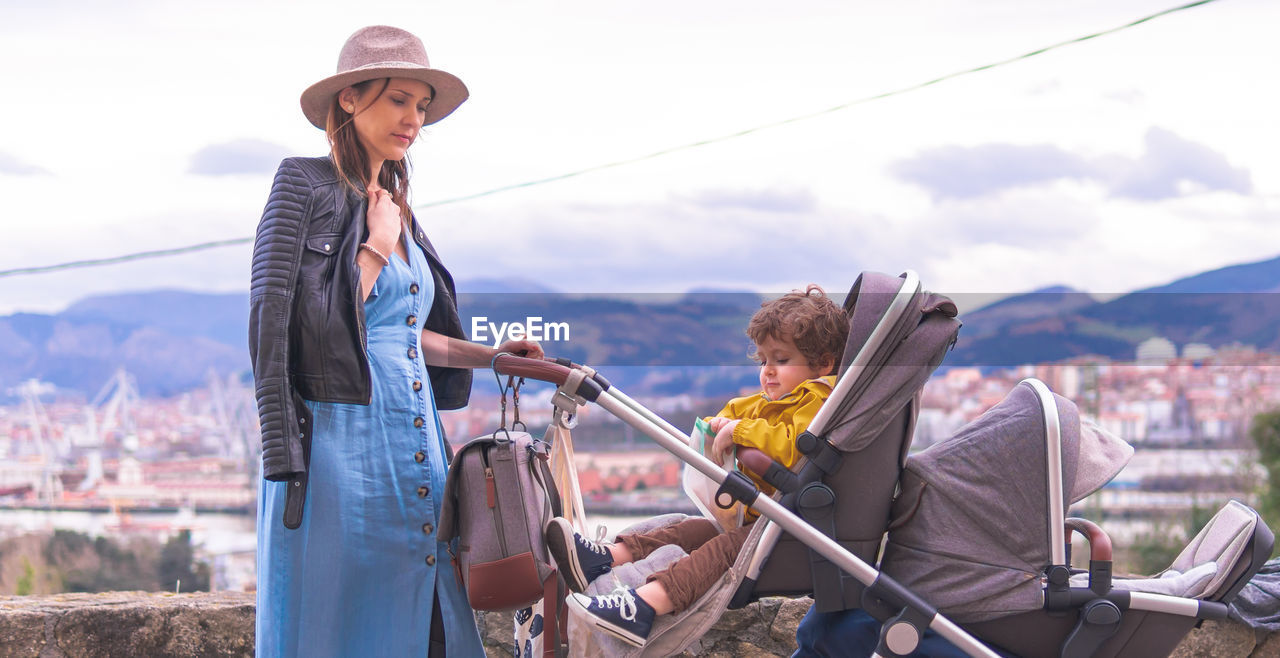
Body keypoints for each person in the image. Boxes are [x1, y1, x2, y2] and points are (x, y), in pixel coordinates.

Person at [249, 25, 542, 657]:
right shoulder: (304, 185)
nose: (412, 119)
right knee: (341, 611)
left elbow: (408, 336)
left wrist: (492, 357)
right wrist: (377, 246)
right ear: (350, 99)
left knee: (429, 606)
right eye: (397, 100)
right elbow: (291, 325)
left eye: (421, 106)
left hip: (413, 439)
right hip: (336, 445)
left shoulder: (398, 206)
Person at [546, 285, 848, 647]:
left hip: (789, 530)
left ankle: (643, 606)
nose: (768, 372)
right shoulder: (772, 400)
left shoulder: (819, 401)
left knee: (719, 550)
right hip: (760, 519)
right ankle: (609, 556)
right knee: (690, 530)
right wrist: (721, 425)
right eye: (763, 361)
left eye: (781, 361)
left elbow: (791, 447)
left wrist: (742, 431)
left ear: (823, 363)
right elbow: (737, 412)